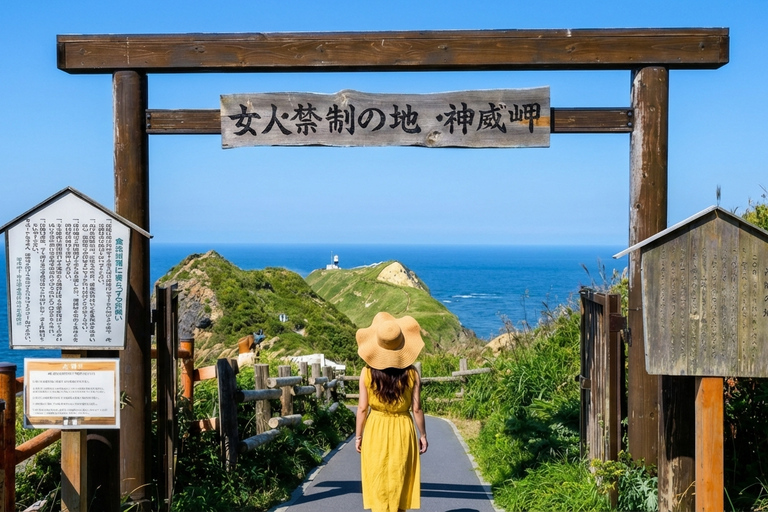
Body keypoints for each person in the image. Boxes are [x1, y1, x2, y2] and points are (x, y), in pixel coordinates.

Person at [355, 311, 428, 512]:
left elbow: (362, 408)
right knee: (399, 477)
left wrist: (358, 436)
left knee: (378, 476)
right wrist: (423, 435)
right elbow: (417, 408)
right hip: (403, 428)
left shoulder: (366, 373)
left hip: (375, 428)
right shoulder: (412, 373)